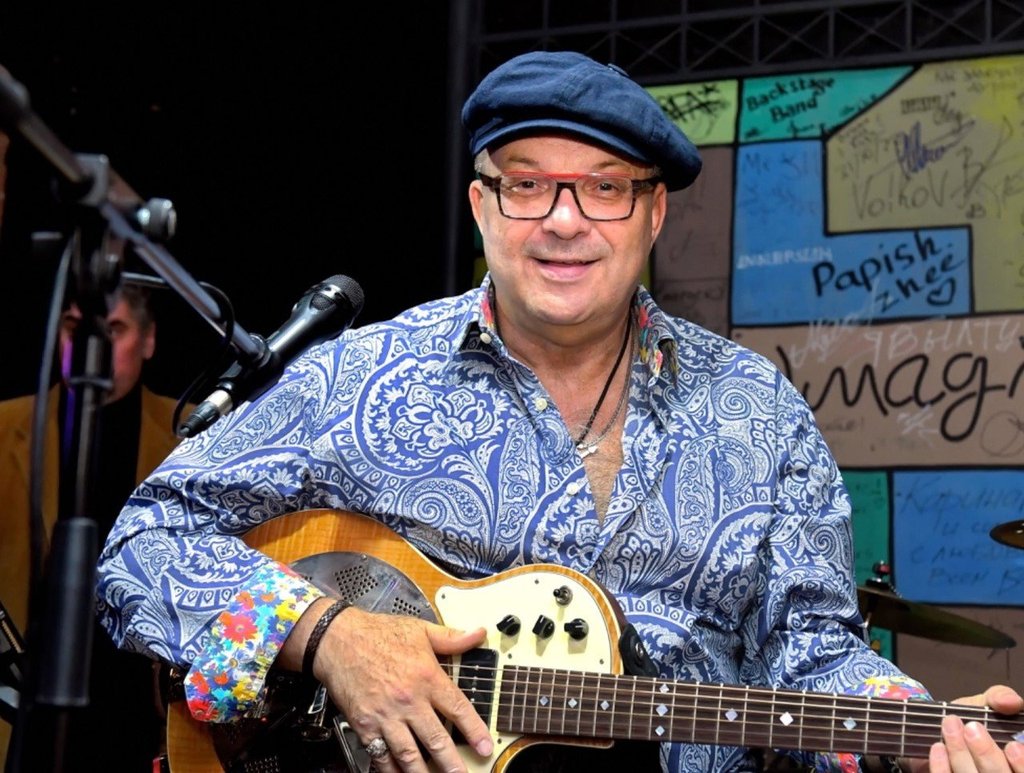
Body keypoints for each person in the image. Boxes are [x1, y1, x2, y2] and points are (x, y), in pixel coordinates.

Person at [95, 51, 1024, 773]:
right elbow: (142, 542)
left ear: (654, 215)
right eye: (527, 183)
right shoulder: (360, 376)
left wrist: (922, 735)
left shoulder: (760, 412)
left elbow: (812, 651)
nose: (565, 219)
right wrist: (333, 636)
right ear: (481, 206)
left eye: (606, 186)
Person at [0, 282, 182, 770]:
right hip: (20, 714)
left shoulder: (189, 436)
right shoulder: (3, 427)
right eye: (74, 327)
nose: (90, 344)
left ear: (148, 340)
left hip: (139, 716)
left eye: (113, 328)